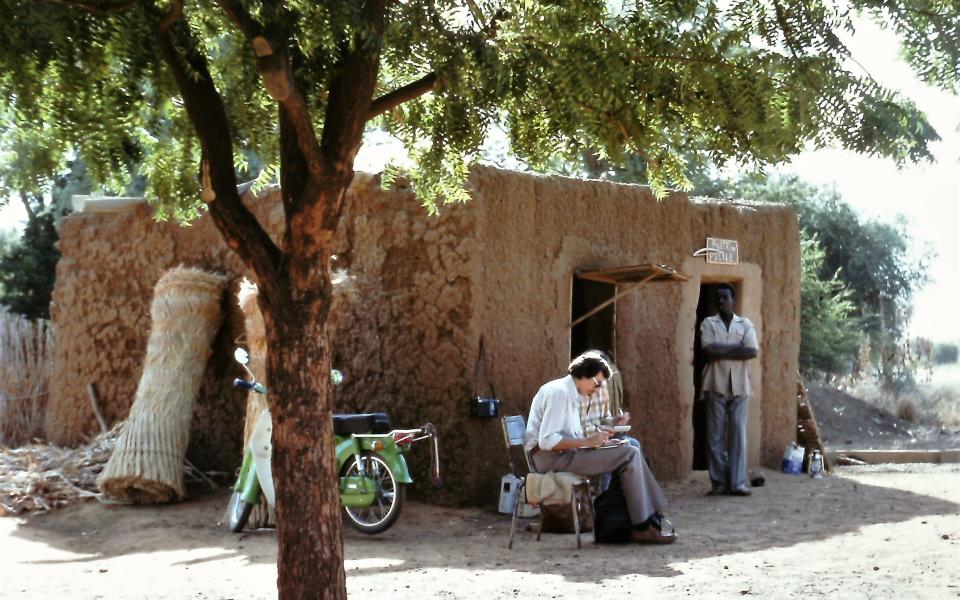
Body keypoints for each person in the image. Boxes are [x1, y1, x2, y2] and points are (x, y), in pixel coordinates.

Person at [525, 352, 677, 543]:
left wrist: (603, 436)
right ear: (583, 374)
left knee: (629, 447)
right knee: (629, 453)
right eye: (596, 383)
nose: (597, 390)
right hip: (550, 460)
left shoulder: (570, 392)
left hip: (564, 454)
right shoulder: (559, 393)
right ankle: (642, 525)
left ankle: (647, 519)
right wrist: (588, 443)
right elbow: (547, 441)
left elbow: (571, 434)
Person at [700, 283, 759, 497]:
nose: (721, 301)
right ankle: (719, 483)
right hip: (715, 383)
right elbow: (708, 349)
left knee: (737, 434)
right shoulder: (708, 323)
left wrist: (721, 351)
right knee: (715, 436)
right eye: (718, 298)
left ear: (733, 300)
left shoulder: (745, 324)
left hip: (740, 386)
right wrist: (737, 348)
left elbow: (752, 351)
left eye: (725, 297)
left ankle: (738, 483)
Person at [578, 351, 642, 490]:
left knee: (633, 444)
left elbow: (604, 419)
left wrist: (614, 421)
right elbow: (574, 429)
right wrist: (599, 430)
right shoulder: (573, 394)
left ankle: (626, 496)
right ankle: (605, 497)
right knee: (612, 450)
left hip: (599, 440)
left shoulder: (601, 389)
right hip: (580, 446)